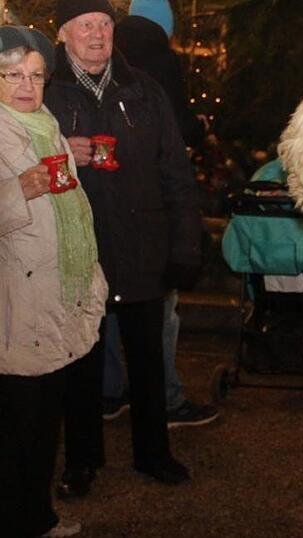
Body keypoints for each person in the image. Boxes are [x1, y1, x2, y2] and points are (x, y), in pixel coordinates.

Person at [44, 0, 202, 496]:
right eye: (85, 25)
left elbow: (175, 172)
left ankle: (154, 452)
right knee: (81, 360)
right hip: (78, 248)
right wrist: (63, 155)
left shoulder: (144, 90)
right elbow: (18, 167)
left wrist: (185, 246)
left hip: (142, 244)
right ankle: (83, 460)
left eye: (104, 26)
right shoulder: (44, 93)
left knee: (148, 357)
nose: (97, 35)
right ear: (64, 34)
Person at [0, 25, 107, 537]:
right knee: (19, 427)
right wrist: (15, 191)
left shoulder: (46, 126)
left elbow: (73, 210)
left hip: (54, 291)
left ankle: (36, 517)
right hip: (15, 302)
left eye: (37, 76)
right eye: (13, 74)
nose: (27, 86)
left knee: (42, 423)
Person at [100, 0, 218, 428]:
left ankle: (110, 391)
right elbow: (174, 132)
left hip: (110, 197)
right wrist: (200, 129)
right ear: (164, 26)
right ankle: (165, 397)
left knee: (108, 298)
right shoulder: (160, 62)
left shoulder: (106, 55)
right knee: (161, 305)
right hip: (152, 203)